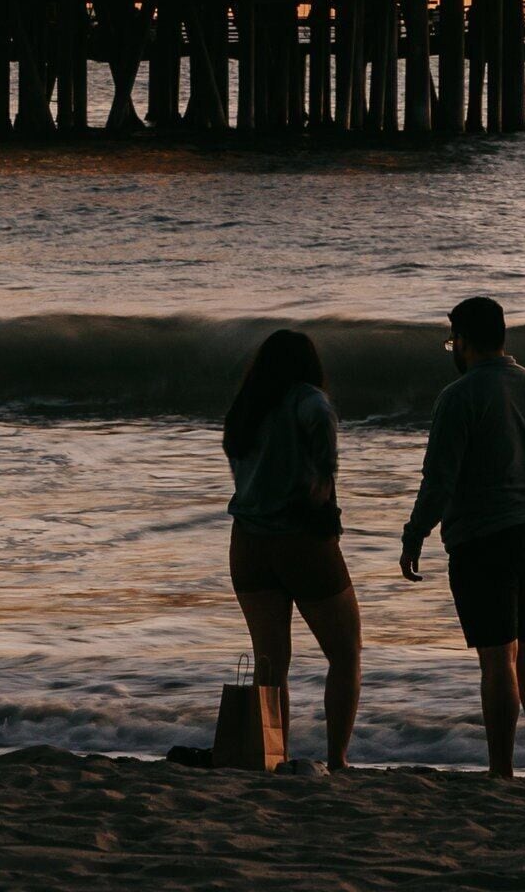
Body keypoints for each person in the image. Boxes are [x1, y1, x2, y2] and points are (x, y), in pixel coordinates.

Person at [399, 296, 525, 779]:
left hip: (485, 535)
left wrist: (414, 535)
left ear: (465, 340)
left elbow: (440, 479)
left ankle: (501, 770)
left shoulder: (460, 396)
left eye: (453, 340)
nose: (452, 349)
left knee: (496, 657)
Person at [223, 328, 360, 771]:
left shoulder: (245, 407)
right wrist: (322, 479)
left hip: (247, 542)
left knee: (270, 662)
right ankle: (336, 758)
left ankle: (272, 756)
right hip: (300, 540)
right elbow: (320, 416)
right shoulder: (308, 399)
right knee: (345, 653)